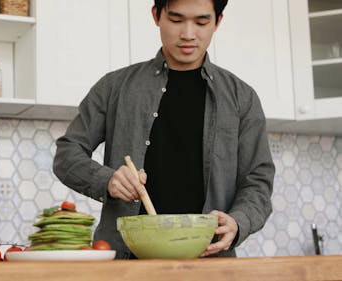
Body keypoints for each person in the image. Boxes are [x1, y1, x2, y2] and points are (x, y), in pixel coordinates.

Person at [53, 0, 275, 258]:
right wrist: (108, 180)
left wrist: (238, 221)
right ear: (156, 15)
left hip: (210, 263)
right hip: (125, 262)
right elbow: (67, 154)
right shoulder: (115, 87)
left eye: (202, 22)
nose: (188, 34)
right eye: (176, 20)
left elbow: (257, 182)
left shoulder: (242, 98)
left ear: (218, 21)